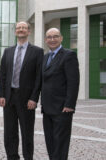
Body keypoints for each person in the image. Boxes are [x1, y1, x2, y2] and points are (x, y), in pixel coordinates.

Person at [0, 21, 43, 160]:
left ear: (29, 31)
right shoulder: (8, 51)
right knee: (9, 132)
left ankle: (28, 157)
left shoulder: (37, 51)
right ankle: (12, 157)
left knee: (27, 132)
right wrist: (1, 95)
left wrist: (34, 98)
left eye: (24, 28)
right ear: (15, 31)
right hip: (9, 97)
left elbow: (38, 77)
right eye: (18, 28)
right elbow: (3, 75)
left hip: (27, 99)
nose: (21, 30)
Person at [41, 28, 79, 160]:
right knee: (50, 142)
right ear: (46, 40)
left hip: (62, 108)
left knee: (61, 144)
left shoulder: (69, 55)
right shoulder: (45, 57)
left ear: (61, 38)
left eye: (55, 36)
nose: (52, 39)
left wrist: (70, 104)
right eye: (49, 37)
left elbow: (73, 82)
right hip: (47, 108)